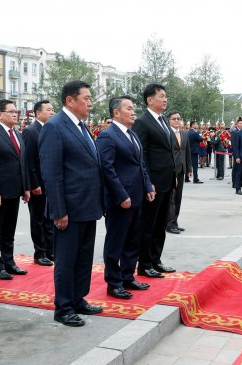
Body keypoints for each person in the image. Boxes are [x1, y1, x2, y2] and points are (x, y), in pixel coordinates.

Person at [39, 80, 104, 327]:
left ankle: (78, 298)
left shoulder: (81, 126)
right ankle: (63, 307)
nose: (90, 102)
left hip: (88, 205)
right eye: (85, 98)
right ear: (70, 100)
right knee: (66, 259)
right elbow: (52, 172)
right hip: (68, 209)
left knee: (83, 257)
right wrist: (58, 210)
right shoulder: (55, 127)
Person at [97, 96, 155, 300]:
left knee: (132, 240)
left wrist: (148, 185)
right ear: (116, 113)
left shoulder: (132, 134)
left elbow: (141, 164)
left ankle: (127, 276)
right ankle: (113, 283)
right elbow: (107, 168)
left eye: (133, 108)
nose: (133, 112)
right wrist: (121, 194)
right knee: (116, 241)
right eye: (129, 108)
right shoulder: (107, 136)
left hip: (138, 196)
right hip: (120, 199)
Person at [0, 100, 30, 280]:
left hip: (15, 190)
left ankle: (9, 262)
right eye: (11, 111)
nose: (15, 114)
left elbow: (22, 163)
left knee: (9, 228)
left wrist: (26, 188)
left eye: (16, 111)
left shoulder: (17, 133)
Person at [131, 83, 177, 278]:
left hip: (167, 180)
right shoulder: (142, 122)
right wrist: (147, 181)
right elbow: (142, 154)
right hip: (153, 183)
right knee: (148, 225)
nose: (165, 99)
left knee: (160, 224)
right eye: (161, 96)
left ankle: (156, 260)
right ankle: (144, 263)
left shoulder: (163, 121)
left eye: (165, 96)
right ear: (150, 100)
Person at [23, 100, 55, 266]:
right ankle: (40, 252)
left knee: (50, 219)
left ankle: (50, 251)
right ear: (38, 113)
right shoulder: (31, 131)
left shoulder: (51, 129)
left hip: (51, 183)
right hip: (38, 184)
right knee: (38, 219)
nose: (52, 112)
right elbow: (29, 161)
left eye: (53, 110)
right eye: (48, 110)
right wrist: (33, 184)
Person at [166, 111, 192, 234]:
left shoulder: (184, 133)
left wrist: (189, 169)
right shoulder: (166, 133)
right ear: (169, 120)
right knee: (171, 197)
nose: (177, 121)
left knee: (178, 197)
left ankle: (175, 221)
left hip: (182, 169)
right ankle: (169, 224)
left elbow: (187, 152)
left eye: (179, 118)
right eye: (174, 119)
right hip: (171, 170)